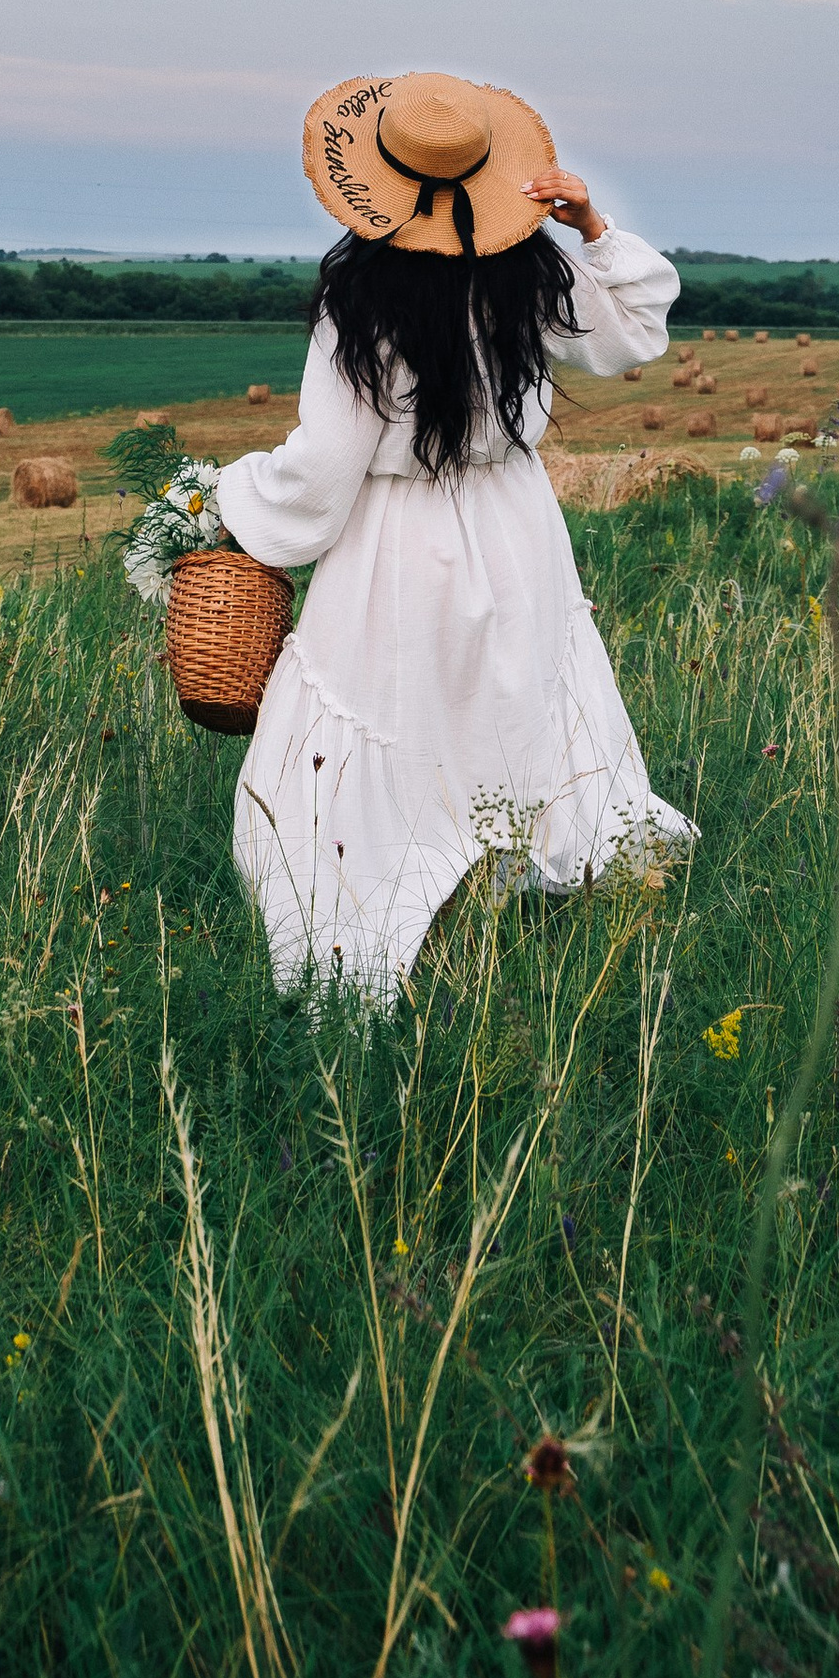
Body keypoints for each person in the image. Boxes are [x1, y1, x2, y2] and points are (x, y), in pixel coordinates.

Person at [215, 69, 693, 999]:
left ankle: (410, 885)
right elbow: (634, 331)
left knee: (395, 703)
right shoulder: (530, 274)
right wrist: (590, 226)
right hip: (515, 522)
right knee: (515, 693)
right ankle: (514, 867)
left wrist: (229, 499)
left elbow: (320, 475)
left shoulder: (360, 303)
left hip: (399, 538)